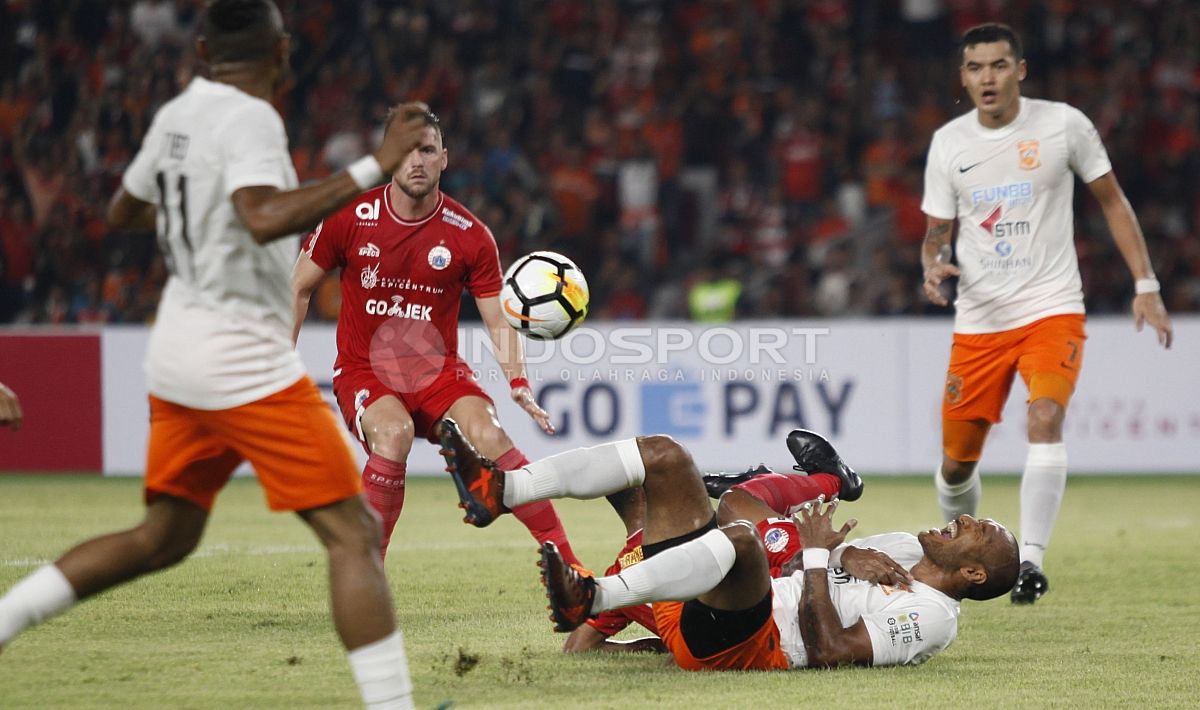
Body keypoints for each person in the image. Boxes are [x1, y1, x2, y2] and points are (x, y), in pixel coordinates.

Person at [0, 3, 426, 707]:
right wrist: (373, 166)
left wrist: (193, 208)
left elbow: (122, 211)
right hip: (242, 357)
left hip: (177, 351)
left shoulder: (177, 114)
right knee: (353, 533)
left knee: (162, 536)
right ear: (282, 52)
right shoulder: (251, 117)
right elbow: (261, 218)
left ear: (202, 48)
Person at [919, 23, 1173, 604]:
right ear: (964, 76)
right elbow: (936, 235)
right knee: (957, 467)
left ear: (1021, 70)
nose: (988, 77)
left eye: (999, 65)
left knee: (1044, 420)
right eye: (976, 68)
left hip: (1051, 308)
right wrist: (933, 266)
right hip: (979, 321)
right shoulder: (949, 144)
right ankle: (964, 549)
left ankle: (1029, 563)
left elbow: (1112, 199)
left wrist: (1146, 284)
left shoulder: (1063, 125)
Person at [437, 420, 1020, 670]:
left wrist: (819, 555)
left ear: (972, 574)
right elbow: (806, 558)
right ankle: (503, 489)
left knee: (739, 529)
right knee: (664, 456)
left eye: (981, 531)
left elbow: (832, 652)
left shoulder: (935, 617)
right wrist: (837, 553)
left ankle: (592, 595)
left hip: (752, 639)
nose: (965, 520)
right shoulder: (899, 546)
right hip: (699, 594)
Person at [291, 108, 582, 567]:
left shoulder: (471, 236)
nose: (417, 161)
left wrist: (519, 385)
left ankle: (573, 567)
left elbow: (497, 319)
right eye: (405, 151)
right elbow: (299, 287)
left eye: (427, 150)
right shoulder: (349, 216)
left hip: (439, 373)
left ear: (443, 158)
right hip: (366, 370)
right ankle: (368, 575)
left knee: (490, 433)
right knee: (394, 433)